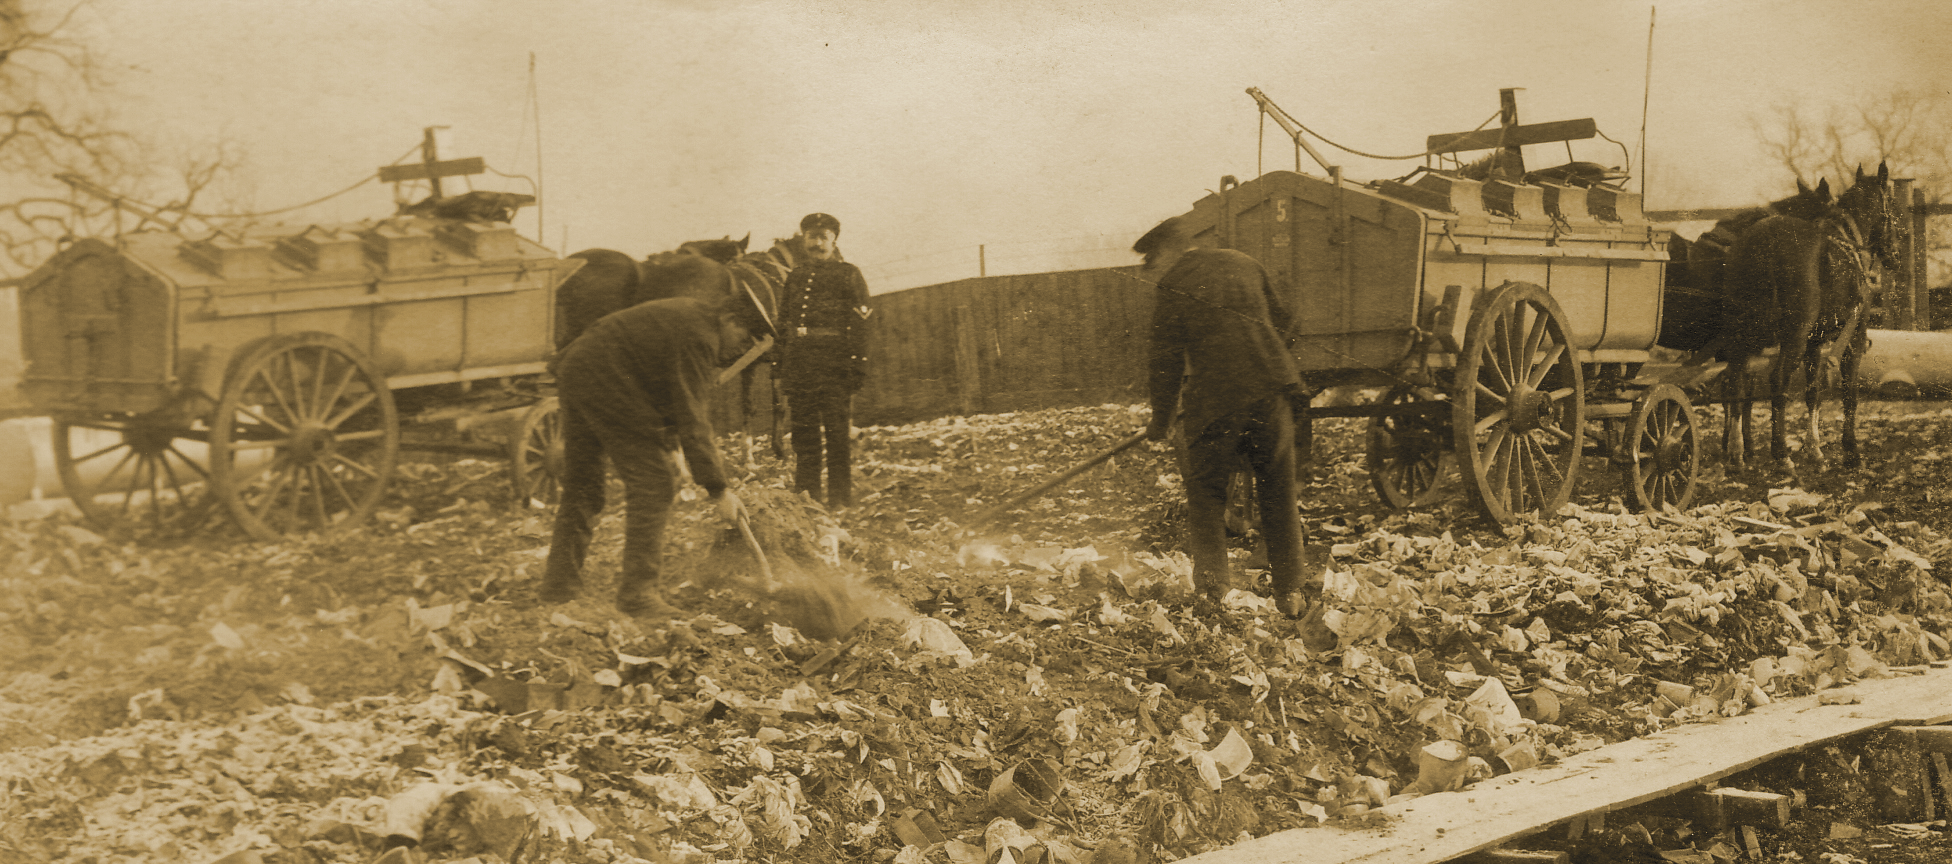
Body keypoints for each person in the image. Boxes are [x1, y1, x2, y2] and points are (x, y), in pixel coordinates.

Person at [537, 280, 774, 619]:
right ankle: (638, 595)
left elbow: (666, 393)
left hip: (579, 369)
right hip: (606, 380)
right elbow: (693, 416)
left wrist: (672, 446)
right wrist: (720, 490)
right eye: (743, 339)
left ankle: (557, 589)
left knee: (583, 487)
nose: (740, 349)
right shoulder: (699, 337)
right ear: (731, 320)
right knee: (656, 482)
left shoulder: (691, 320)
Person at [1137, 215, 1319, 618]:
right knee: (1278, 489)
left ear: (1168, 252)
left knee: (1205, 493)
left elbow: (1164, 362)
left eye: (1152, 259)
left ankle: (1213, 593)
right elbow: (1288, 317)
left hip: (1217, 399)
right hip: (1274, 391)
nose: (1152, 269)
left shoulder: (1172, 284)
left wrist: (1161, 421)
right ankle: (1291, 594)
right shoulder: (1243, 262)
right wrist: (1266, 355)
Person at [777, 212, 871, 507]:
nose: (817, 243)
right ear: (803, 240)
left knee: (836, 434)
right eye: (811, 237)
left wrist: (857, 364)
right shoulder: (795, 277)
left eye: (823, 238)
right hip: (801, 364)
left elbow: (862, 322)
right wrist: (780, 368)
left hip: (834, 365)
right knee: (804, 436)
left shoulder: (848, 274)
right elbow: (783, 325)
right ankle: (809, 499)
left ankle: (840, 501)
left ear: (833, 241)